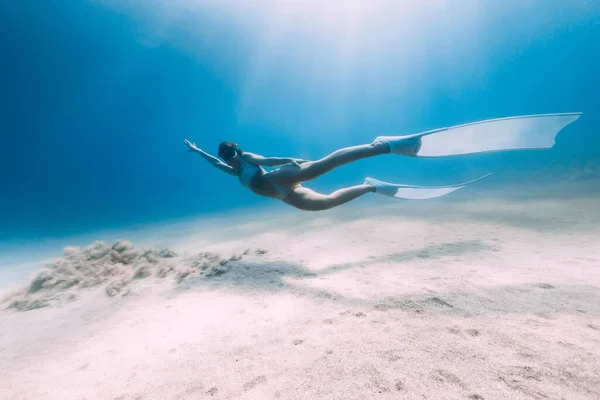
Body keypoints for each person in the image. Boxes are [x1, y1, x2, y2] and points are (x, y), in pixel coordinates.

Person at [183, 135, 423, 211]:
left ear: (235, 151)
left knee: (322, 167)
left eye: (232, 153)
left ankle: (383, 146)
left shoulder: (245, 159)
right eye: (229, 157)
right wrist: (198, 151)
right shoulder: (233, 172)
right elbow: (215, 163)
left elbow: (265, 160)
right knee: (325, 204)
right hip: (284, 194)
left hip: (278, 177)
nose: (231, 158)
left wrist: (287, 159)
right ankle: (372, 186)